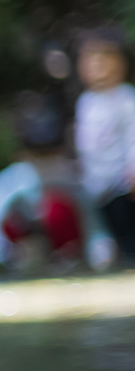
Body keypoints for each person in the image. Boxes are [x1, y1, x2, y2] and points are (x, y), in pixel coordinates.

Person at [0, 103, 114, 272]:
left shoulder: (71, 179)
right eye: (39, 154)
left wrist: (100, 257)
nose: (45, 162)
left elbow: (94, 228)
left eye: (50, 153)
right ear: (23, 155)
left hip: (67, 256)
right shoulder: (15, 178)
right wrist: (7, 254)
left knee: (57, 209)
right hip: (17, 255)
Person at [74, 26, 135, 261]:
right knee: (107, 226)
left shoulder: (126, 98)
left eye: (102, 62)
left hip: (121, 181)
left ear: (118, 64)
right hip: (96, 183)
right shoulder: (86, 101)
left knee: (126, 224)